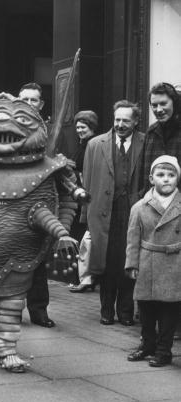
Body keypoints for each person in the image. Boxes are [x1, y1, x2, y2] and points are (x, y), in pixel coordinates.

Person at [81, 100, 145, 326]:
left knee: (128, 261)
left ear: (135, 121)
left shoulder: (145, 142)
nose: (120, 124)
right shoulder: (95, 144)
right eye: (117, 119)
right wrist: (85, 217)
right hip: (102, 212)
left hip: (132, 211)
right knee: (106, 262)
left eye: (126, 120)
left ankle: (126, 311)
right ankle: (106, 310)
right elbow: (87, 182)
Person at [126, 155, 181, 367]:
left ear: (177, 178)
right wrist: (131, 264)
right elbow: (132, 239)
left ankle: (164, 350)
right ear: (151, 178)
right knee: (146, 308)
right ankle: (147, 344)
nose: (166, 179)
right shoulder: (139, 207)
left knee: (169, 310)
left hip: (174, 263)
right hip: (147, 261)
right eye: (160, 174)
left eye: (171, 175)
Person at [18, 82, 55, 327]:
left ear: (40, 105)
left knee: (39, 260)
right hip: (11, 199)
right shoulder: (5, 126)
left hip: (38, 199)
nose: (29, 104)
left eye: (34, 100)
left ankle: (39, 310)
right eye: (24, 100)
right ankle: (10, 309)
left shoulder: (50, 131)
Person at [69, 110, 99, 293]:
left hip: (87, 196)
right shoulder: (82, 145)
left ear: (92, 128)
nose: (80, 130)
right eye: (78, 127)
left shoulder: (92, 145)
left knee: (85, 237)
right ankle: (84, 276)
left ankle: (87, 277)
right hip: (79, 195)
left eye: (83, 127)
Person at [139, 82, 181, 194]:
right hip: (153, 205)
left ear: (174, 103)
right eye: (154, 105)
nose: (158, 109)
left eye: (163, 104)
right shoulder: (151, 132)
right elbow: (144, 174)